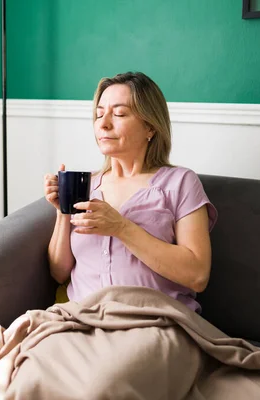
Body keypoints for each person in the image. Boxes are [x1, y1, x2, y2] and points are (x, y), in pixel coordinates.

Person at [43, 71, 218, 313]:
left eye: (119, 113)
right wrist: (63, 211)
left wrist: (121, 227)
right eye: (99, 114)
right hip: (81, 318)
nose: (103, 123)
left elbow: (197, 275)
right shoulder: (86, 185)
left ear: (150, 126)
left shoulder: (180, 182)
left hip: (151, 321)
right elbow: (59, 271)